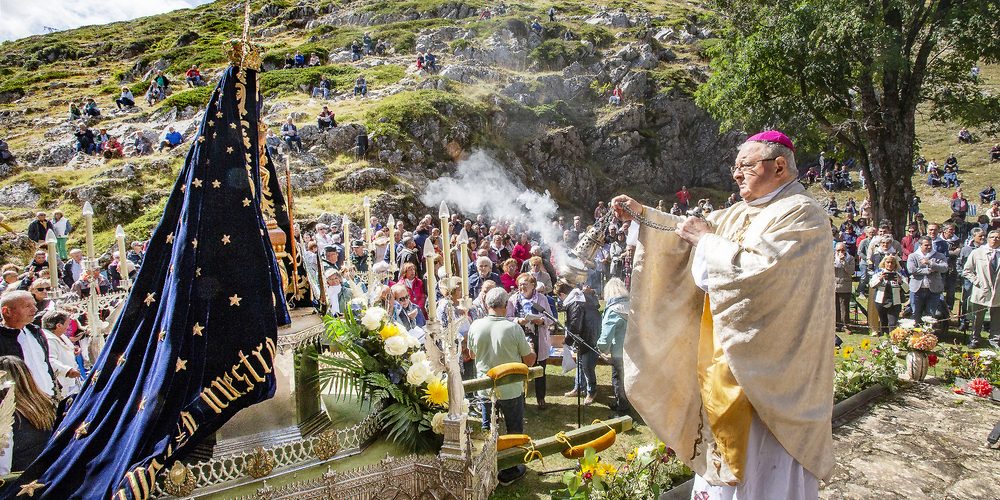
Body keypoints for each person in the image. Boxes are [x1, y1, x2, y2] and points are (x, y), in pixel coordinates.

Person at [612, 130, 834, 497]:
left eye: (745, 165)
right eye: (735, 166)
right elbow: (684, 232)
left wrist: (706, 240)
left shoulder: (802, 215)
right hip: (726, 365)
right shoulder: (738, 213)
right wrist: (642, 215)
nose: (736, 173)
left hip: (775, 374)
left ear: (779, 166)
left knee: (765, 475)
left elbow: (762, 273)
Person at [467, 287, 535, 486]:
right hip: (511, 389)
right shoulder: (513, 328)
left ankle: (488, 468)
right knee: (514, 430)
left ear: (487, 304)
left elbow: (471, 355)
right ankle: (509, 471)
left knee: (489, 429)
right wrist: (532, 349)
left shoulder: (476, 326)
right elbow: (529, 361)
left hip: (486, 388)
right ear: (506, 305)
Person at [0, 356, 57, 475]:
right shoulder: (48, 404)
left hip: (19, 486)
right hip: (49, 478)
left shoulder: (7, 415)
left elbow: (2, 470)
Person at [505, 273, 552, 410]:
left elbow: (550, 317)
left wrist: (542, 320)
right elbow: (507, 317)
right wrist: (517, 321)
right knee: (520, 369)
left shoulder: (542, 298)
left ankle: (540, 397)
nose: (522, 287)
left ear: (533, 285)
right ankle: (521, 398)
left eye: (525, 284)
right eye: (520, 284)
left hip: (538, 338)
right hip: (520, 338)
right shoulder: (513, 299)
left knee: (540, 369)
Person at [0, 291, 56, 398]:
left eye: (34, 305)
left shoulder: (35, 332)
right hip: (20, 405)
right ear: (6, 311)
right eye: (27, 306)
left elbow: (45, 363)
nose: (34, 310)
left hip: (48, 398)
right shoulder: (2, 338)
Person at [556, 281, 601, 405]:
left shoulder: (575, 301)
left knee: (587, 367)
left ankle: (591, 392)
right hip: (587, 335)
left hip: (588, 337)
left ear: (562, 294)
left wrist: (568, 340)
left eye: (560, 297)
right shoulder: (580, 296)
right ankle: (579, 388)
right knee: (580, 364)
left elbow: (575, 325)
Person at [962, 230, 1000, 348]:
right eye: (992, 237)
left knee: (997, 318)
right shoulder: (977, 253)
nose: (994, 239)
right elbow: (967, 271)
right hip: (981, 290)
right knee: (977, 318)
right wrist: (977, 281)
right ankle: (974, 339)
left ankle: (995, 340)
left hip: (998, 291)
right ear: (988, 239)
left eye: (998, 237)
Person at [907, 236, 948, 324]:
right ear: (920, 245)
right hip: (917, 290)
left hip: (933, 290)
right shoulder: (913, 256)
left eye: (930, 245)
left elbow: (944, 268)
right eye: (926, 245)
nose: (929, 247)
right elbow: (912, 270)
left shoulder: (939, 256)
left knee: (930, 314)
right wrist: (928, 270)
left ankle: (928, 334)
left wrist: (930, 263)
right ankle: (916, 333)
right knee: (915, 313)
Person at [41, 309, 81, 398]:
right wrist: (66, 370)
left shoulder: (60, 335)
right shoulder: (49, 340)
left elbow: (66, 348)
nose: (68, 326)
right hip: (61, 383)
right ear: (58, 325)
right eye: (67, 323)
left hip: (70, 382)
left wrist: (74, 350)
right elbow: (50, 360)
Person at [869, 255, 907, 336]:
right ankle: (885, 340)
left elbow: (907, 288)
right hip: (880, 301)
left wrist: (901, 282)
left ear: (895, 264)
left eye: (892, 263)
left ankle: (894, 341)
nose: (890, 264)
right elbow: (871, 284)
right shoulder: (878, 272)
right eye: (888, 262)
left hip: (895, 302)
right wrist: (880, 279)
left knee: (892, 323)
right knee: (883, 322)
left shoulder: (900, 273)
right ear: (884, 263)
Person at [958, 228, 985, 331]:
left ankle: (983, 323)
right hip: (969, 280)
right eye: (980, 236)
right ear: (973, 237)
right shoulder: (966, 249)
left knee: (983, 299)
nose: (983, 238)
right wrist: (963, 275)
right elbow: (959, 263)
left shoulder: (987, 249)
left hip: (983, 279)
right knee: (967, 301)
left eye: (983, 236)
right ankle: (965, 321)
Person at [834, 242, 856, 333]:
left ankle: (846, 326)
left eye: (842, 250)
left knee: (845, 308)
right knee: (835, 307)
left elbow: (851, 271)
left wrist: (844, 262)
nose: (840, 252)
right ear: (835, 250)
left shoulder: (850, 258)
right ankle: (836, 325)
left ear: (846, 250)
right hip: (834, 285)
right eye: (838, 250)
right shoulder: (831, 257)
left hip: (845, 285)